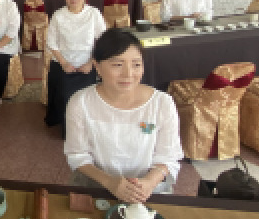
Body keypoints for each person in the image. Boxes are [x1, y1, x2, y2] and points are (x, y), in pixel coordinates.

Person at [63, 29, 183, 203]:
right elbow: (77, 155)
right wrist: (109, 182)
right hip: (95, 187)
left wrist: (148, 183)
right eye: (118, 65)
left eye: (136, 64)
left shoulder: (162, 104)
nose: (128, 74)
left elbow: (169, 157)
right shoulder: (80, 103)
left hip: (146, 192)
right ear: (97, 66)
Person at [46, 0, 107, 138]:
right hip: (63, 63)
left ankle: (87, 128)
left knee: (87, 98)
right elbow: (51, 43)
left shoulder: (93, 13)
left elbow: (102, 41)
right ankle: (71, 131)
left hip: (87, 63)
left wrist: (91, 63)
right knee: (66, 97)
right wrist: (64, 63)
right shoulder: (58, 15)